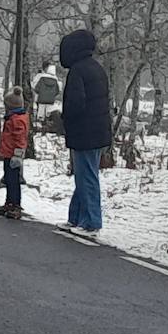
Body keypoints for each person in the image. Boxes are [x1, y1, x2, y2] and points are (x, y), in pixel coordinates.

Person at [60, 28, 110, 238]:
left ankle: (91, 223)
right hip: (98, 131)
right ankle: (76, 218)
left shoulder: (77, 71)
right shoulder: (97, 68)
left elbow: (75, 104)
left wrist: (65, 120)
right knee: (84, 175)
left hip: (84, 132)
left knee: (87, 177)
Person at [0, 87, 29, 220]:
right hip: (8, 153)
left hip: (13, 155)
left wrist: (18, 155)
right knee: (8, 179)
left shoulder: (17, 120)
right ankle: (9, 203)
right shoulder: (12, 118)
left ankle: (15, 205)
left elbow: (20, 139)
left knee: (13, 181)